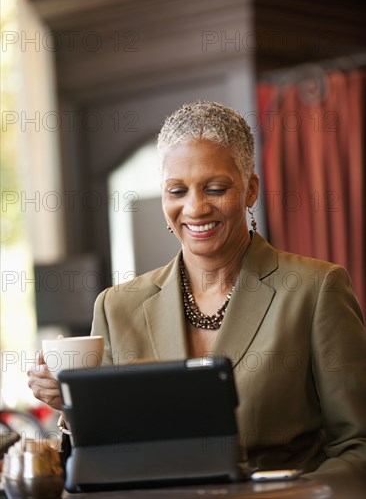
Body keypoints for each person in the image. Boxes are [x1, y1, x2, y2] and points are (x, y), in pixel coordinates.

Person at [28, 101, 365, 478]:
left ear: (250, 190)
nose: (195, 207)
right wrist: (72, 407)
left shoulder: (315, 290)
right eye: (177, 191)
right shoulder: (117, 307)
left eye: (216, 188)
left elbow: (358, 447)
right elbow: (101, 456)